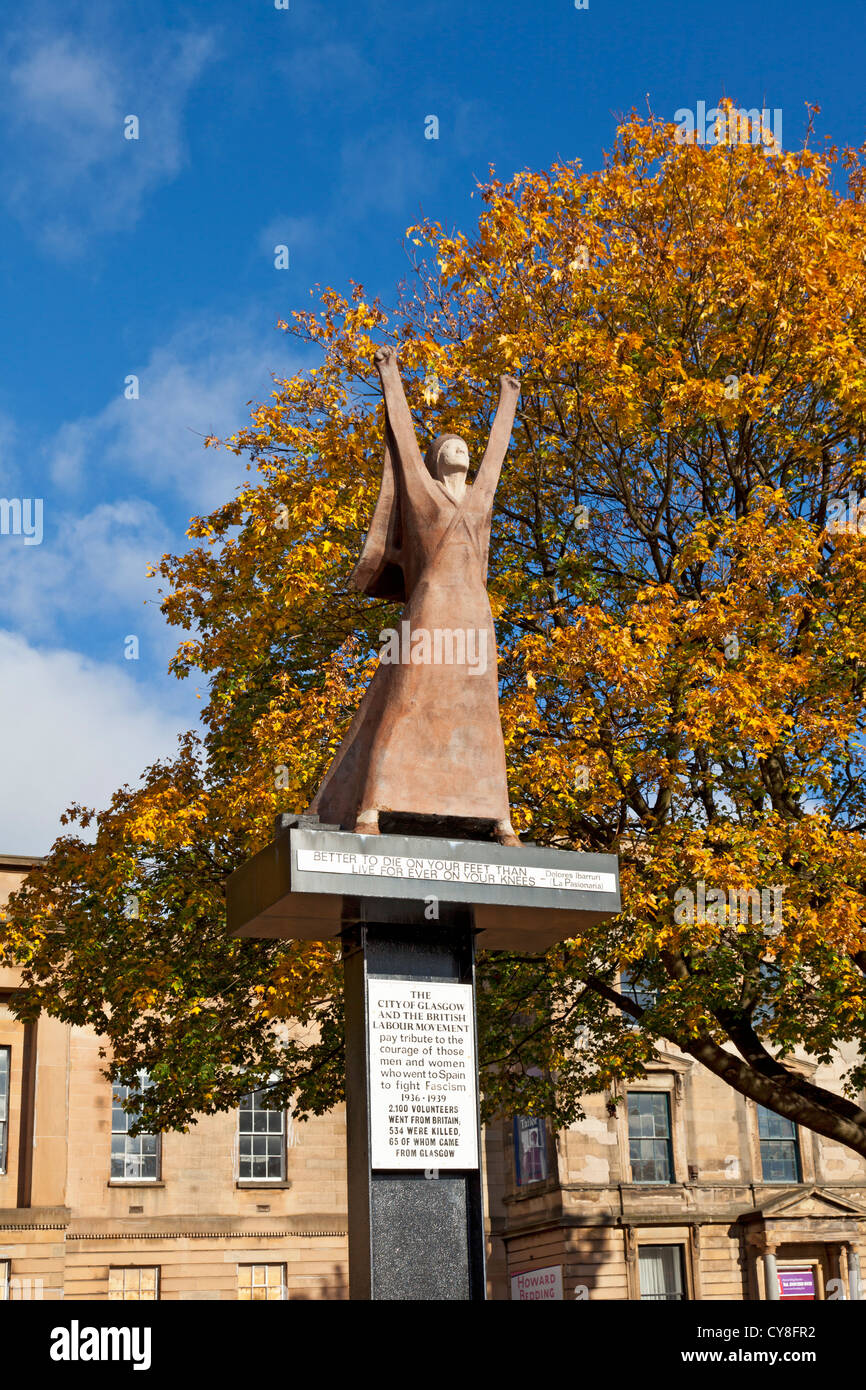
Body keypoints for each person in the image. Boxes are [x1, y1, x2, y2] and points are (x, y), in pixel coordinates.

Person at [309, 346, 521, 845]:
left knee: (480, 713)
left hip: (474, 617)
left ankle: (500, 819)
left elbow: (496, 457)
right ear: (434, 460)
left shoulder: (478, 499)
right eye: (450, 446)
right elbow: (404, 442)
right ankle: (371, 808)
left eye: (465, 446)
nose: (462, 449)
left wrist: (508, 401)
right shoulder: (423, 494)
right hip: (429, 613)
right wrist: (390, 377)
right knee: (405, 702)